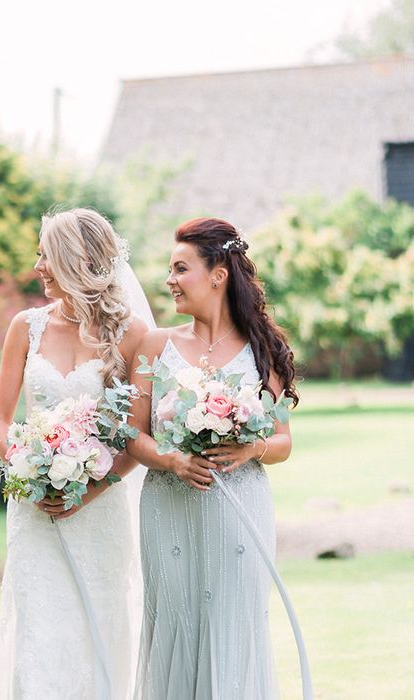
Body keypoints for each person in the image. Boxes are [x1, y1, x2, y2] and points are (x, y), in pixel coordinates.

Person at [127, 217, 300, 699]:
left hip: (238, 510)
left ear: (218, 273)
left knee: (234, 623)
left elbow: (283, 442)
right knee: (175, 620)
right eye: (170, 269)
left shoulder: (263, 348)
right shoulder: (154, 346)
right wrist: (170, 461)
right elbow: (130, 434)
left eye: (181, 268)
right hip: (168, 506)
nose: (169, 280)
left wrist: (250, 448)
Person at [0, 208, 148, 699]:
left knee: (99, 629)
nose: (37, 266)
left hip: (99, 512)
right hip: (33, 510)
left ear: (77, 261)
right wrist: (27, 469)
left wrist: (89, 490)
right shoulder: (26, 327)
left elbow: (134, 436)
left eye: (45, 255)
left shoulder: (132, 334)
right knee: (38, 632)